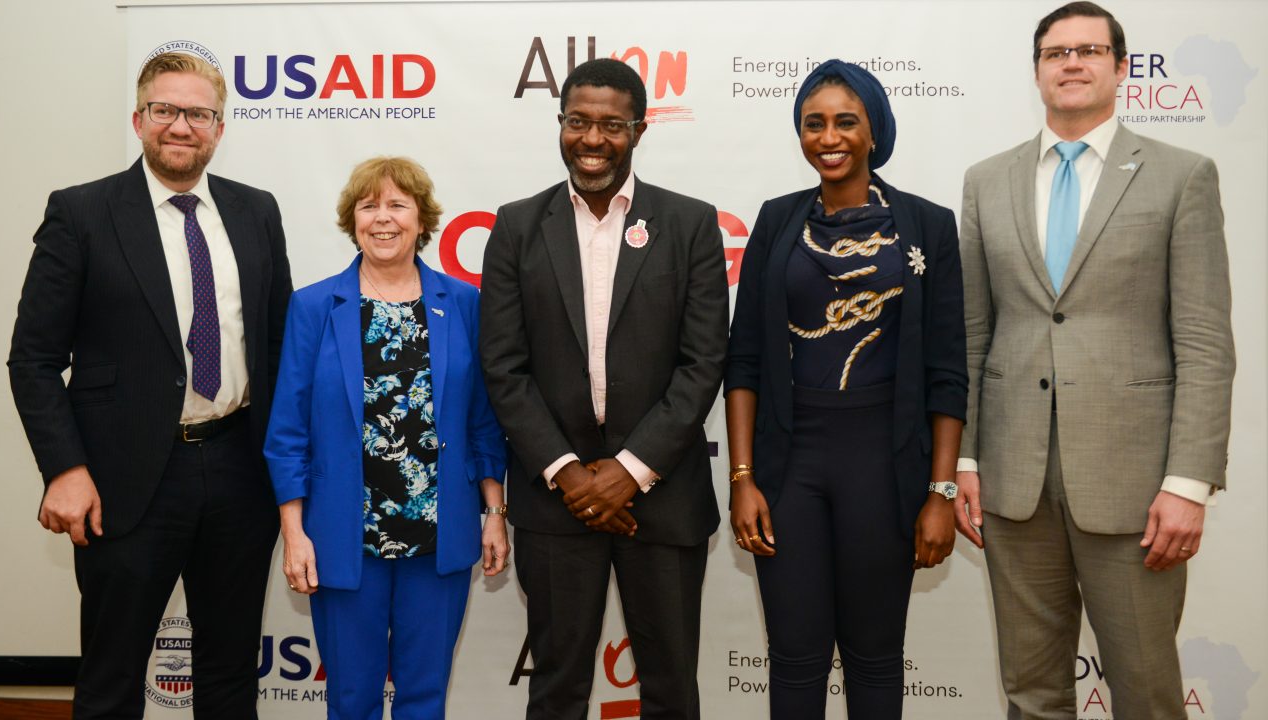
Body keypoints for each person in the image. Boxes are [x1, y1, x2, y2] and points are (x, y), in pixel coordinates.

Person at [954, 3, 1235, 718]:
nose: (1071, 63)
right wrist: (964, 461)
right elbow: (973, 335)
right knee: (1031, 694)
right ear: (1038, 70)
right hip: (1015, 484)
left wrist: (1189, 482)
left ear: (1120, 65)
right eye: (1055, 52)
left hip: (1137, 489)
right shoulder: (988, 181)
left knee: (1144, 693)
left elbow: (1204, 341)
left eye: (1089, 50)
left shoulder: (1182, 175)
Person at [7, 52, 292, 719]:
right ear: (139, 119)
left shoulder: (257, 212)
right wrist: (65, 469)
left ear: (219, 128)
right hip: (122, 480)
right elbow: (34, 358)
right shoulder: (81, 213)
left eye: (198, 113)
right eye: (165, 109)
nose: (180, 126)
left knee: (228, 683)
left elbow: (278, 345)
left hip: (239, 472)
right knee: (110, 684)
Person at [478, 57, 728, 720]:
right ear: (560, 124)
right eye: (578, 122)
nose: (593, 139)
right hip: (553, 505)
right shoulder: (516, 226)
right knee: (557, 689)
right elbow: (503, 366)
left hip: (664, 497)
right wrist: (569, 475)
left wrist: (628, 470)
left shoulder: (690, 224)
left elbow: (703, 363)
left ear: (639, 131)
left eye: (611, 125)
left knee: (671, 688)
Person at [724, 60, 967, 719]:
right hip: (788, 466)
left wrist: (941, 493)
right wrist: (742, 477)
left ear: (874, 131)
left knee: (875, 659)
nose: (828, 136)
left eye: (845, 121)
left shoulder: (928, 225)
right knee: (796, 663)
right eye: (813, 123)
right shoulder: (775, 222)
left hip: (884, 467)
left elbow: (948, 373)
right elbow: (743, 360)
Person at [264, 156, 507, 720]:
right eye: (369, 206)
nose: (383, 218)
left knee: (425, 699)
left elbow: (483, 422)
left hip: (438, 536)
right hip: (341, 538)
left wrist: (494, 510)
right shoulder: (314, 306)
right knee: (352, 700)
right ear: (352, 220)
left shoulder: (464, 304)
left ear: (422, 219)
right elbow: (287, 432)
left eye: (398, 204)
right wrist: (293, 532)